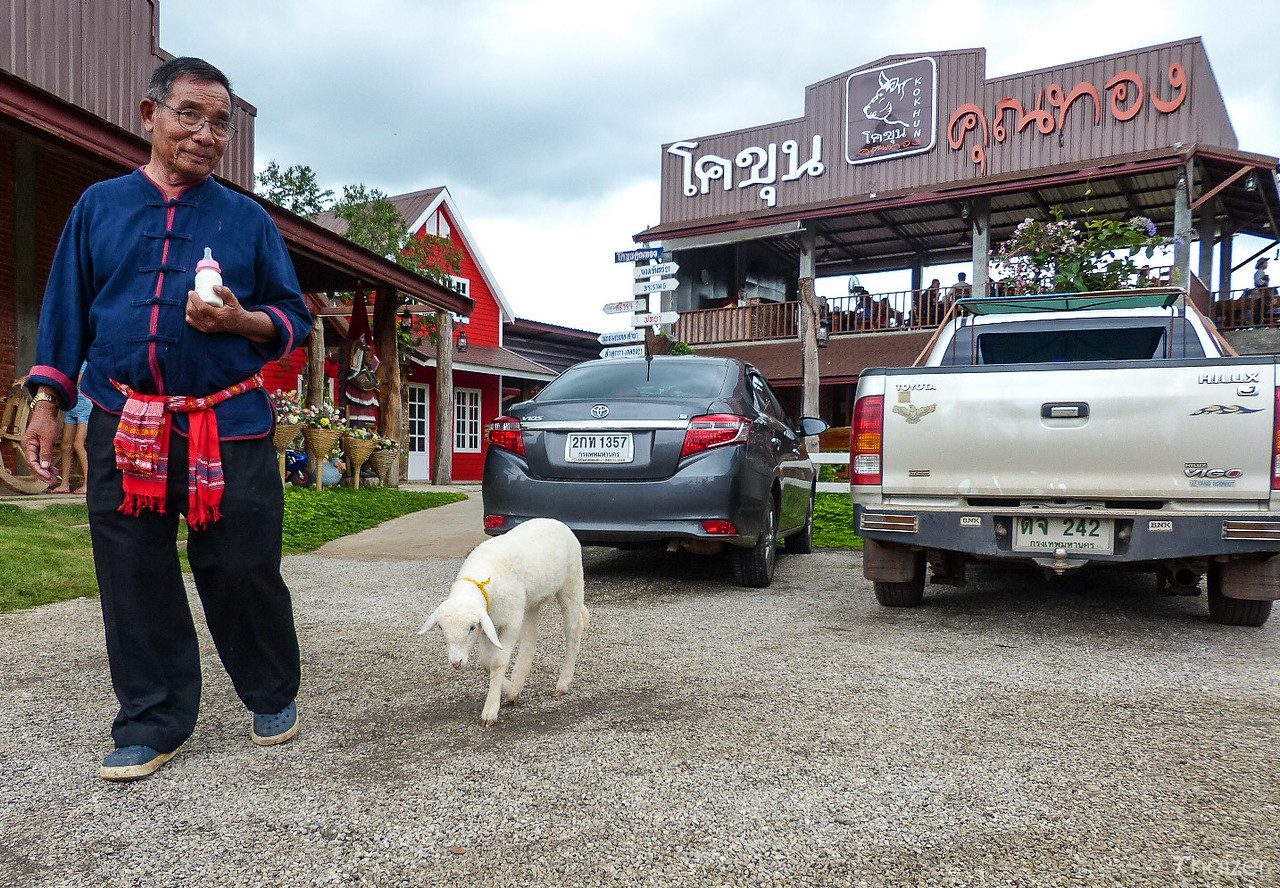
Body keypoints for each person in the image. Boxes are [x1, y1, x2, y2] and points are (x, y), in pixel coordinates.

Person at [21, 57, 313, 782]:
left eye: (219, 123)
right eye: (189, 114)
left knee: (243, 567)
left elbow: (293, 318)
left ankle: (270, 689)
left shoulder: (247, 219)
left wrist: (242, 319)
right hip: (126, 421)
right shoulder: (98, 206)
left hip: (229, 425)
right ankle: (153, 721)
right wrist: (48, 401)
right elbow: (63, 313)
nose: (205, 134)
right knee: (132, 574)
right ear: (149, 116)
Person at [51, 361, 90, 494]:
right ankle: (64, 484)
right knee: (65, 445)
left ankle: (88, 484)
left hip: (85, 406)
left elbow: (77, 381)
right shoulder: (68, 361)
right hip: (71, 406)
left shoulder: (84, 361)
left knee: (78, 443)